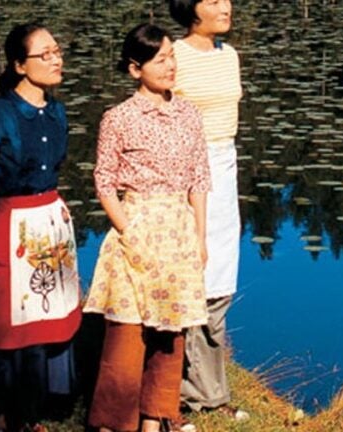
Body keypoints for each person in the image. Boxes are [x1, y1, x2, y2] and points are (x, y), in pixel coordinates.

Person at [83, 23, 211, 432]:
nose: (170, 66)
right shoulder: (119, 118)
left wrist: (200, 237)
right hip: (135, 230)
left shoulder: (189, 114)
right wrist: (128, 230)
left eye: (172, 56)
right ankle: (112, 423)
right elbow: (104, 181)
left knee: (170, 337)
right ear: (135, 69)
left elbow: (200, 179)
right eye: (159, 60)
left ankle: (154, 420)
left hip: (178, 232)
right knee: (126, 334)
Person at [0, 22, 81, 432]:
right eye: (45, 54)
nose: (56, 60)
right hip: (11, 222)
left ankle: (33, 412)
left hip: (50, 220)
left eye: (57, 51)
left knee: (45, 318)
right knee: (7, 319)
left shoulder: (57, 112)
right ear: (20, 65)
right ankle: (0, 414)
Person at [168, 0, 249, 423]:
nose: (226, 6)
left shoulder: (229, 54)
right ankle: (179, 391)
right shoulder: (173, 55)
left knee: (220, 280)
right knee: (189, 279)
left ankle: (210, 391)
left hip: (224, 168)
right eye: (213, 0)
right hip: (185, 173)